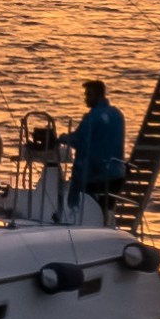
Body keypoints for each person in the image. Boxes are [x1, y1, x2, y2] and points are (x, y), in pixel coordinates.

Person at [62, 80, 127, 219]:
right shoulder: (117, 114)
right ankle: (105, 224)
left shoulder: (92, 117)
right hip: (117, 175)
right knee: (105, 210)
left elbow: (79, 139)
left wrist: (61, 138)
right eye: (85, 95)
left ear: (98, 95)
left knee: (88, 210)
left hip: (97, 177)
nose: (86, 98)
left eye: (89, 95)